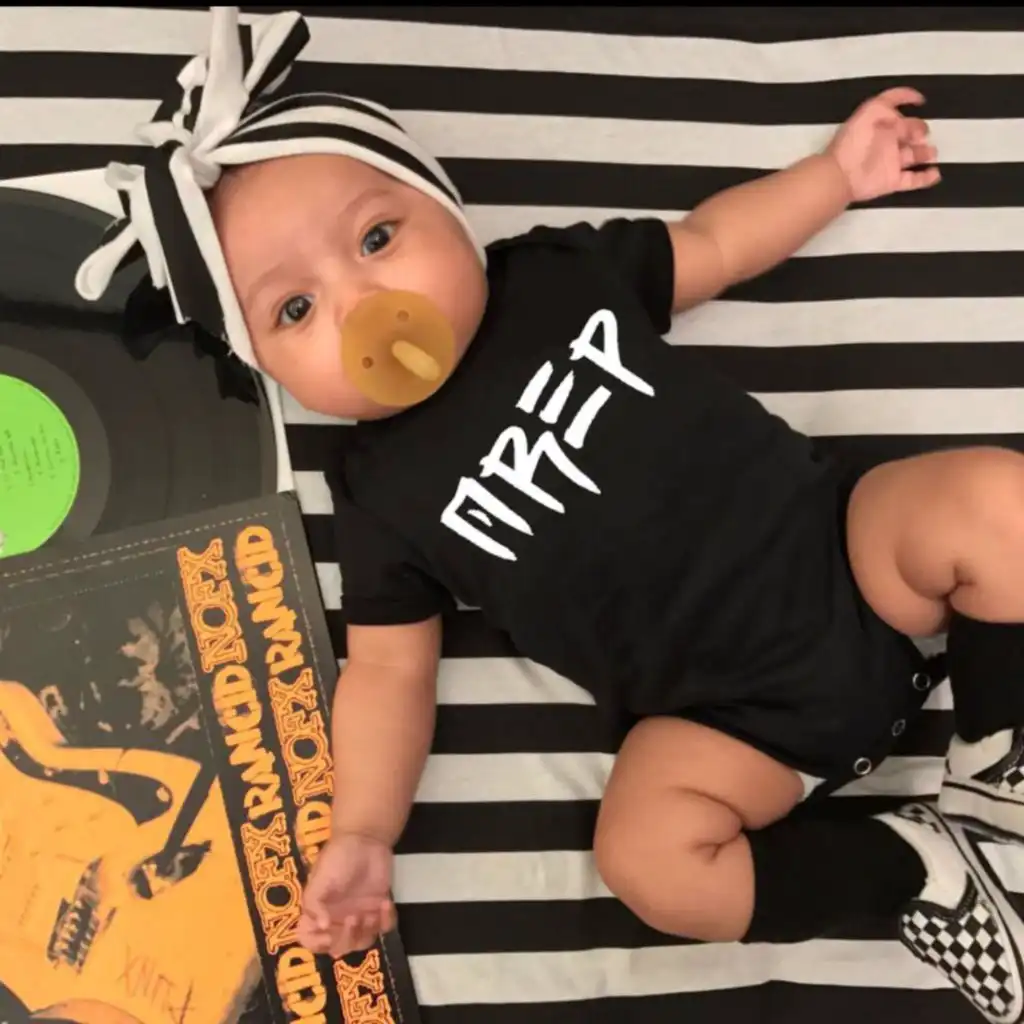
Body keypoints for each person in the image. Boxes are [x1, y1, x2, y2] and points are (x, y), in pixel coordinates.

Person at [76, 9, 1024, 1022]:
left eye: (378, 238)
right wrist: (362, 832)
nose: (361, 306)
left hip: (852, 558)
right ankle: (918, 870)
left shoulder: (554, 279)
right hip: (730, 725)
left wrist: (833, 176)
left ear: (444, 205)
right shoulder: (378, 486)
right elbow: (390, 672)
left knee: (991, 498)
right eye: (295, 310)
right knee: (650, 865)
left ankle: (998, 766)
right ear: (266, 367)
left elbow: (713, 243)